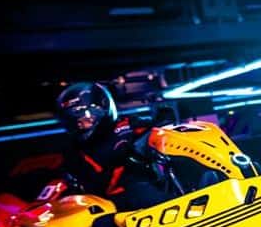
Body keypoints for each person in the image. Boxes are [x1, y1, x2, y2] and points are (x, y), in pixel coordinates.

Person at [54, 81, 173, 211]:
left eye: (86, 117)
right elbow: (90, 186)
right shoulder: (75, 153)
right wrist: (124, 160)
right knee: (138, 191)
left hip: (154, 182)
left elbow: (159, 132)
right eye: (75, 120)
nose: (81, 124)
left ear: (102, 108)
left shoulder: (129, 124)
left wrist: (163, 122)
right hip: (117, 202)